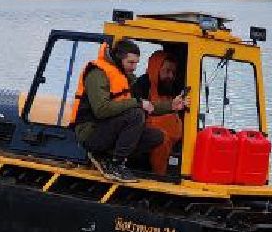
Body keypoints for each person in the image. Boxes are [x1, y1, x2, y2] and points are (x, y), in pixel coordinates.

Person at [73, 39, 164, 175]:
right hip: (91, 132)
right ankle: (115, 165)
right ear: (118, 58)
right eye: (131, 62)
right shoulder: (98, 73)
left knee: (156, 136)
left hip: (109, 129)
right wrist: (137, 103)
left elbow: (146, 104)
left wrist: (173, 105)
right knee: (136, 114)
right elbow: (101, 110)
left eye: (136, 63)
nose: (134, 67)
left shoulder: (126, 76)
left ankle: (108, 156)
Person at [131, 49, 189, 174]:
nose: (171, 76)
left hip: (175, 142)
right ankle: (159, 176)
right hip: (150, 143)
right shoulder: (142, 85)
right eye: (167, 71)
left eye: (173, 72)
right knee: (161, 139)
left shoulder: (170, 87)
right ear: (156, 68)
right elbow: (140, 111)